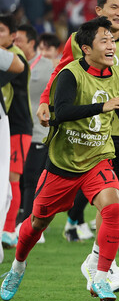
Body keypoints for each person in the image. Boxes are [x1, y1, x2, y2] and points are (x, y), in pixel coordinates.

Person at [0, 17, 119, 301]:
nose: (110, 45)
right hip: (63, 164)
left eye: (112, 40)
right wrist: (101, 106)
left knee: (112, 208)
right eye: (103, 41)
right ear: (86, 49)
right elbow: (63, 112)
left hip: (98, 159)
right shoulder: (70, 74)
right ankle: (17, 267)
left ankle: (101, 278)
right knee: (37, 223)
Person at [37, 0, 119, 293]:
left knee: (115, 201)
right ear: (99, 11)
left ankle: (96, 261)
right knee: (109, 203)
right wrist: (45, 99)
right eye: (114, 7)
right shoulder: (80, 41)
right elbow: (60, 72)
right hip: (89, 134)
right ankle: (106, 268)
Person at [12, 25, 54, 235]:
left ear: (32, 43)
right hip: (15, 130)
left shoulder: (48, 67)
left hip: (39, 131)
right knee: (16, 178)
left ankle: (29, 224)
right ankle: (18, 221)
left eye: (19, 40)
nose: (15, 43)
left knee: (30, 178)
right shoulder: (13, 63)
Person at [0, 15, 32, 248]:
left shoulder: (15, 58)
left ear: (13, 36)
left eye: (1, 31)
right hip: (8, 125)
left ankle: (9, 230)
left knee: (13, 177)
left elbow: (7, 96)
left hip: (17, 126)